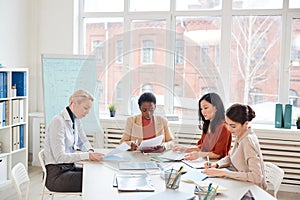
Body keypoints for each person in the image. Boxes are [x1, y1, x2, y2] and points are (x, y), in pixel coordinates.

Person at [43, 89, 104, 192]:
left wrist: (90, 151)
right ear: (74, 103)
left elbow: (83, 141)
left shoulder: (76, 120)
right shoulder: (58, 122)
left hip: (69, 168)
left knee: (97, 174)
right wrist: (87, 156)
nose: (88, 112)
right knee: (95, 180)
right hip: (57, 175)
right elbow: (60, 157)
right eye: (85, 108)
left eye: (89, 109)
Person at [202, 103, 267, 189]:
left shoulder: (247, 141)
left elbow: (256, 177)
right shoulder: (241, 134)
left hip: (252, 189)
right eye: (227, 124)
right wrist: (216, 165)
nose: (229, 129)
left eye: (233, 126)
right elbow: (230, 157)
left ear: (245, 124)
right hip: (241, 183)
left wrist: (224, 173)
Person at [173, 92, 232, 160]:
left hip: (216, 163)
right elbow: (202, 147)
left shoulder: (223, 127)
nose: (203, 112)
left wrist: (199, 155)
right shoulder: (207, 124)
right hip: (206, 161)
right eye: (201, 109)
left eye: (206, 108)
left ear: (216, 108)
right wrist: (185, 149)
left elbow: (218, 154)